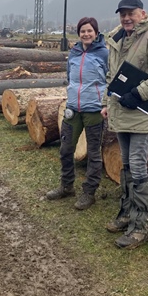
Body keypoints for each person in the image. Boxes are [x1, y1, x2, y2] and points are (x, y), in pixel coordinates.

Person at [101, 0, 148, 249]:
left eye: (131, 13)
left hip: (142, 114)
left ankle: (141, 225)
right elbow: (112, 76)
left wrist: (139, 93)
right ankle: (126, 214)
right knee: (125, 165)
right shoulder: (116, 39)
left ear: (142, 14)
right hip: (121, 112)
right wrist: (106, 103)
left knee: (137, 165)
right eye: (122, 14)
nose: (126, 18)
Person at [46, 17, 109, 210]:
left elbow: (110, 78)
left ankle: (89, 193)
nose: (86, 34)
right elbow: (69, 78)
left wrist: (105, 102)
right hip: (73, 108)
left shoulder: (104, 53)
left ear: (96, 33)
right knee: (66, 149)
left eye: (90, 31)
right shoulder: (73, 52)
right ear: (79, 33)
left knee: (93, 153)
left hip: (94, 110)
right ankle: (66, 186)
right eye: (83, 31)